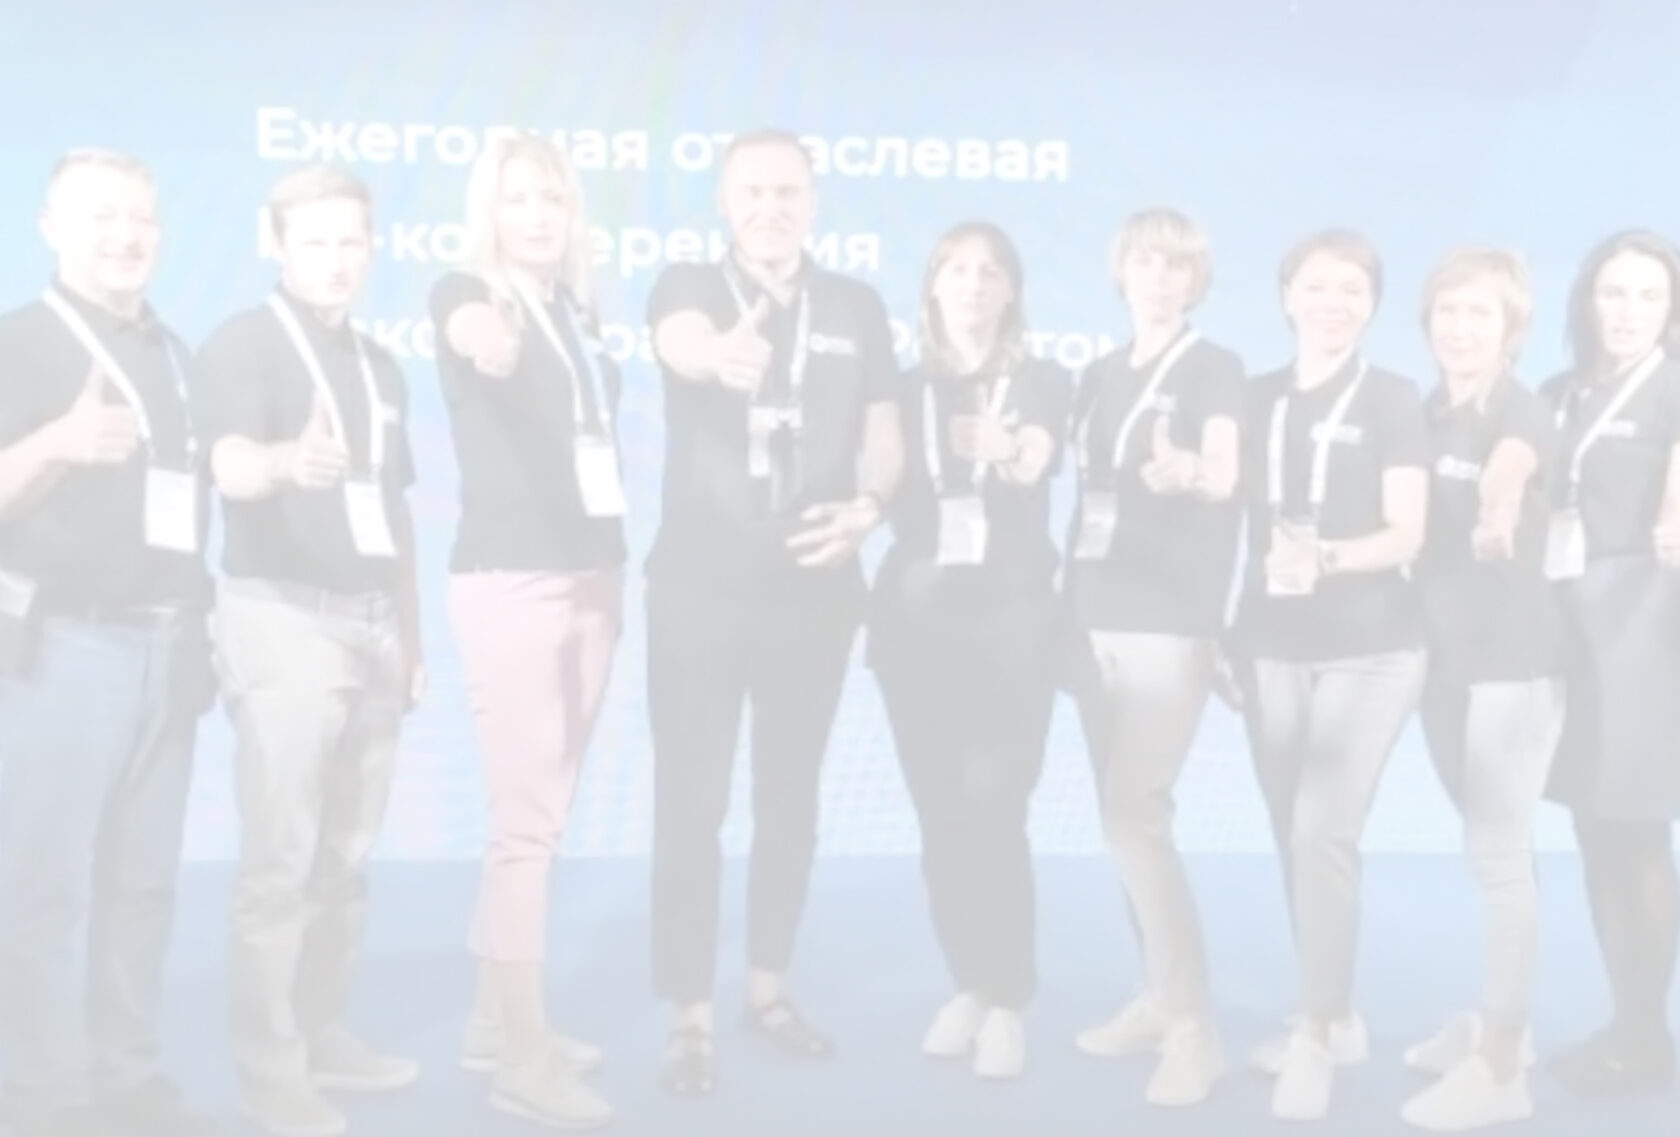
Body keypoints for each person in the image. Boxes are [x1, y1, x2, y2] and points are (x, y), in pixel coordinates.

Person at [643, 128, 904, 1095]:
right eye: (751, 191)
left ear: (813, 202)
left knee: (789, 795)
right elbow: (680, 343)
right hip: (700, 590)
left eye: (787, 191)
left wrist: (871, 506)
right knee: (692, 799)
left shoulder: (855, 305)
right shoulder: (687, 285)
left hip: (814, 591)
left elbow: (886, 432)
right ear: (725, 202)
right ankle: (690, 1011)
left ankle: (767, 987)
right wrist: (718, 355)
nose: (770, 207)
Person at [195, 165, 425, 1137]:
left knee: (347, 856)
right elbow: (229, 465)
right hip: (283, 620)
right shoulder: (242, 342)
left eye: (350, 242)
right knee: (280, 862)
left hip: (373, 623)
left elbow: (396, 511)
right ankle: (270, 1071)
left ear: (372, 248)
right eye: (317, 241)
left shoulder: (380, 363)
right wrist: (288, 461)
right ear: (277, 244)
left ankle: (322, 1030)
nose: (336, 260)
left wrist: (412, 637)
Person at [0, 148, 218, 1137]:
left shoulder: (174, 355)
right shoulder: (19, 343)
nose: (126, 236)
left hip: (170, 647)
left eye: (141, 218)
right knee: (45, 888)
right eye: (102, 217)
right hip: (67, 649)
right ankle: (45, 1094)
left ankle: (126, 1074)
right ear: (51, 226)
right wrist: (54, 443)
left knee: (142, 885)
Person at [428, 133, 621, 1130]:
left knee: (544, 809)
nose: (538, 216)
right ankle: (525, 1058)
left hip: (595, 578)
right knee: (526, 827)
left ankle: (487, 1020)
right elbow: (467, 326)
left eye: (552, 197)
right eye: (517, 199)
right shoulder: (473, 293)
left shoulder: (577, 311)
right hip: (515, 581)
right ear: (489, 214)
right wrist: (483, 336)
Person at [1231, 229, 1430, 1121]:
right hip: (1269, 644)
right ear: (1286, 297)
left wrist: (1330, 556)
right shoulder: (1254, 397)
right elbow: (1230, 523)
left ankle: (1314, 1036)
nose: (1333, 303)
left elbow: (1408, 531)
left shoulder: (1392, 397)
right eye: (1316, 286)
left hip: (1372, 644)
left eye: (1353, 289)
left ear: (1372, 305)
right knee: (1293, 834)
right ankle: (1336, 1013)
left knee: (1322, 831)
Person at [866, 221, 1071, 1081]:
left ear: (1011, 289)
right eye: (957, 270)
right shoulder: (901, 387)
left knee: (995, 806)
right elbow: (877, 480)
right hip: (916, 624)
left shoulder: (1044, 380)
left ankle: (1009, 996)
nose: (974, 284)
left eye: (991, 272)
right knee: (941, 814)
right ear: (933, 286)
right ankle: (969, 983)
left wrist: (1009, 449)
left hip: (1012, 624)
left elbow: (1038, 455)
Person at [1063, 208, 1245, 1107]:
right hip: (1092, 617)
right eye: (1147, 261)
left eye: (1178, 265)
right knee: (1119, 816)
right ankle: (1159, 995)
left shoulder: (1215, 368)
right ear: (1121, 272)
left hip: (1168, 624)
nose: (1161, 278)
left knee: (1136, 815)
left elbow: (1224, 472)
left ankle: (1194, 1028)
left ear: (1196, 279)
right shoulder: (1098, 375)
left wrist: (1193, 474)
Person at [1402, 249, 1562, 1130]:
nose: (1461, 329)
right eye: (1448, 312)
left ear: (1512, 329)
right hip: (1446, 667)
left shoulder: (1522, 409)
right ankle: (1507, 1024)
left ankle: (1501, 1066)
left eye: (1480, 314)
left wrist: (1498, 511)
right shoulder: (1424, 412)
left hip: (1514, 663)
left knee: (1500, 856)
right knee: (1490, 849)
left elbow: (1509, 467)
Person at [1541, 229, 1680, 1097]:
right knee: (1592, 828)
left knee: (1636, 829)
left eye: (1648, 296)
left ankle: (1647, 1033)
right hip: (1567, 627)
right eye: (1614, 293)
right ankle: (1626, 1021)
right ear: (1587, 301)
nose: (1628, 312)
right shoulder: (1558, 394)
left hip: (1644, 626)